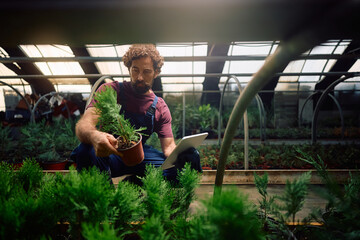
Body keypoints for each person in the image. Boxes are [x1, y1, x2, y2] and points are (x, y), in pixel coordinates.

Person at [71, 44, 201, 184]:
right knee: (85, 151)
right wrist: (94, 135)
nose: (139, 77)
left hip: (139, 156)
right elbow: (84, 125)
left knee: (179, 171)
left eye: (146, 72)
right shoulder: (110, 90)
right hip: (109, 154)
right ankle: (105, 200)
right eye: (135, 70)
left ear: (156, 72)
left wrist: (182, 154)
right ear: (129, 68)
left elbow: (168, 146)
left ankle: (134, 184)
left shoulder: (159, 107)